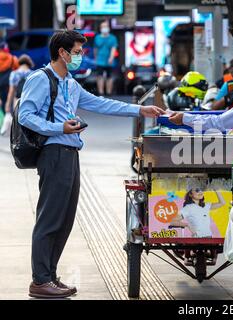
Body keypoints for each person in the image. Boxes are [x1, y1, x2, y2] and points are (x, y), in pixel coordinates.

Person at [18, 30, 165, 299]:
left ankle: (50, 276)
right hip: (53, 154)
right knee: (50, 218)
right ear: (62, 53)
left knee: (65, 219)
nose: (80, 56)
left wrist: (139, 110)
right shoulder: (40, 79)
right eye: (77, 51)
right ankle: (39, 280)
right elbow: (25, 115)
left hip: (70, 153)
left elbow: (100, 103)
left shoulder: (70, 84)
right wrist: (58, 127)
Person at [0, 54, 34, 135]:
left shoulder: (14, 74)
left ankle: (18, 136)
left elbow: (11, 91)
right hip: (29, 99)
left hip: (17, 99)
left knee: (17, 118)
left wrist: (8, 104)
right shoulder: (32, 74)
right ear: (29, 63)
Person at [94, 21, 118, 96]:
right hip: (100, 60)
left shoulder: (113, 38)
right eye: (103, 27)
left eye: (106, 26)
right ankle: (101, 92)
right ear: (100, 28)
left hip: (109, 60)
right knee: (100, 76)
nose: (105, 28)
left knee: (109, 76)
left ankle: (108, 92)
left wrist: (111, 57)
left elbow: (113, 48)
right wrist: (96, 58)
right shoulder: (97, 37)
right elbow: (95, 49)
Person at [0, 42, 19, 115]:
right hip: (8, 84)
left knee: (2, 101)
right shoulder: (12, 58)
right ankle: (9, 115)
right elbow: (17, 69)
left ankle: (4, 116)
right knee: (9, 100)